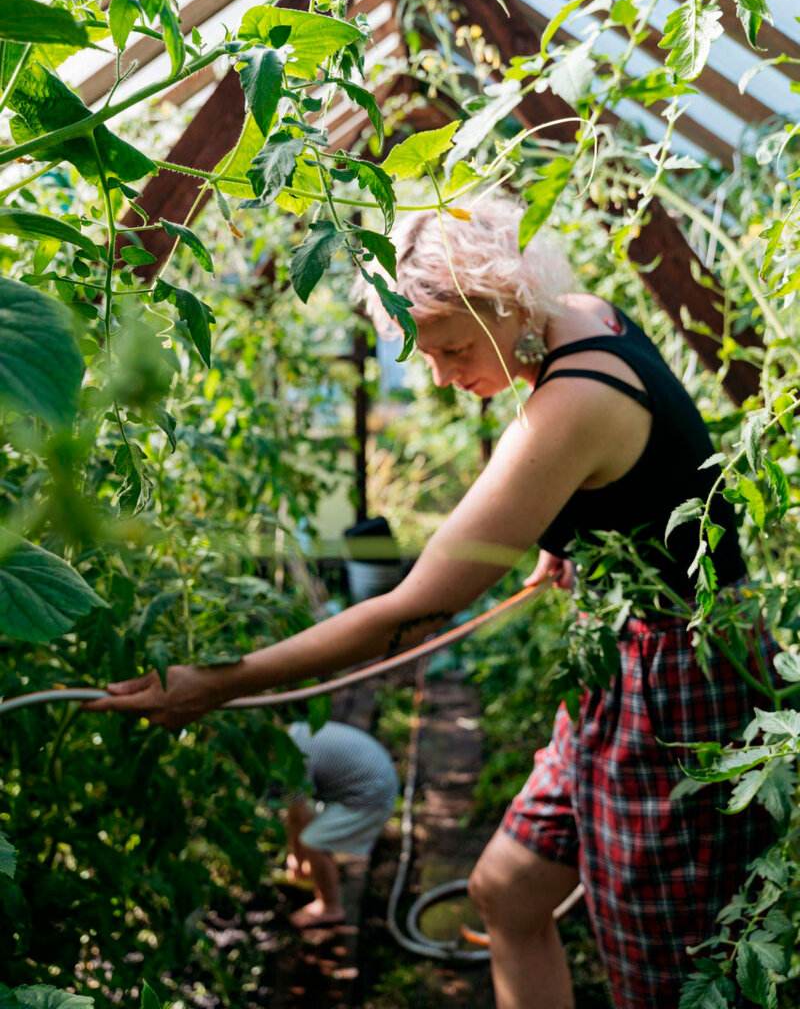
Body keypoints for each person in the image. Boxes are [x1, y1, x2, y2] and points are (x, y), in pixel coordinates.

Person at [89, 199, 776, 1009]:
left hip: (679, 686)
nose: (444, 376)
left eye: (451, 347)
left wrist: (219, 683)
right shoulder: (582, 319)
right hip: (620, 660)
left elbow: (409, 612)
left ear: (507, 298)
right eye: (426, 353)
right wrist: (566, 542)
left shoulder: (571, 404)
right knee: (507, 893)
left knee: (661, 970)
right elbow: (644, 467)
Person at [281, 720, 398, 928]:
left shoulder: (291, 759)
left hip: (372, 796)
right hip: (378, 778)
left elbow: (298, 816)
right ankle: (321, 870)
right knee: (311, 831)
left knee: (313, 842)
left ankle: (330, 906)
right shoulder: (297, 731)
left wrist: (298, 858)